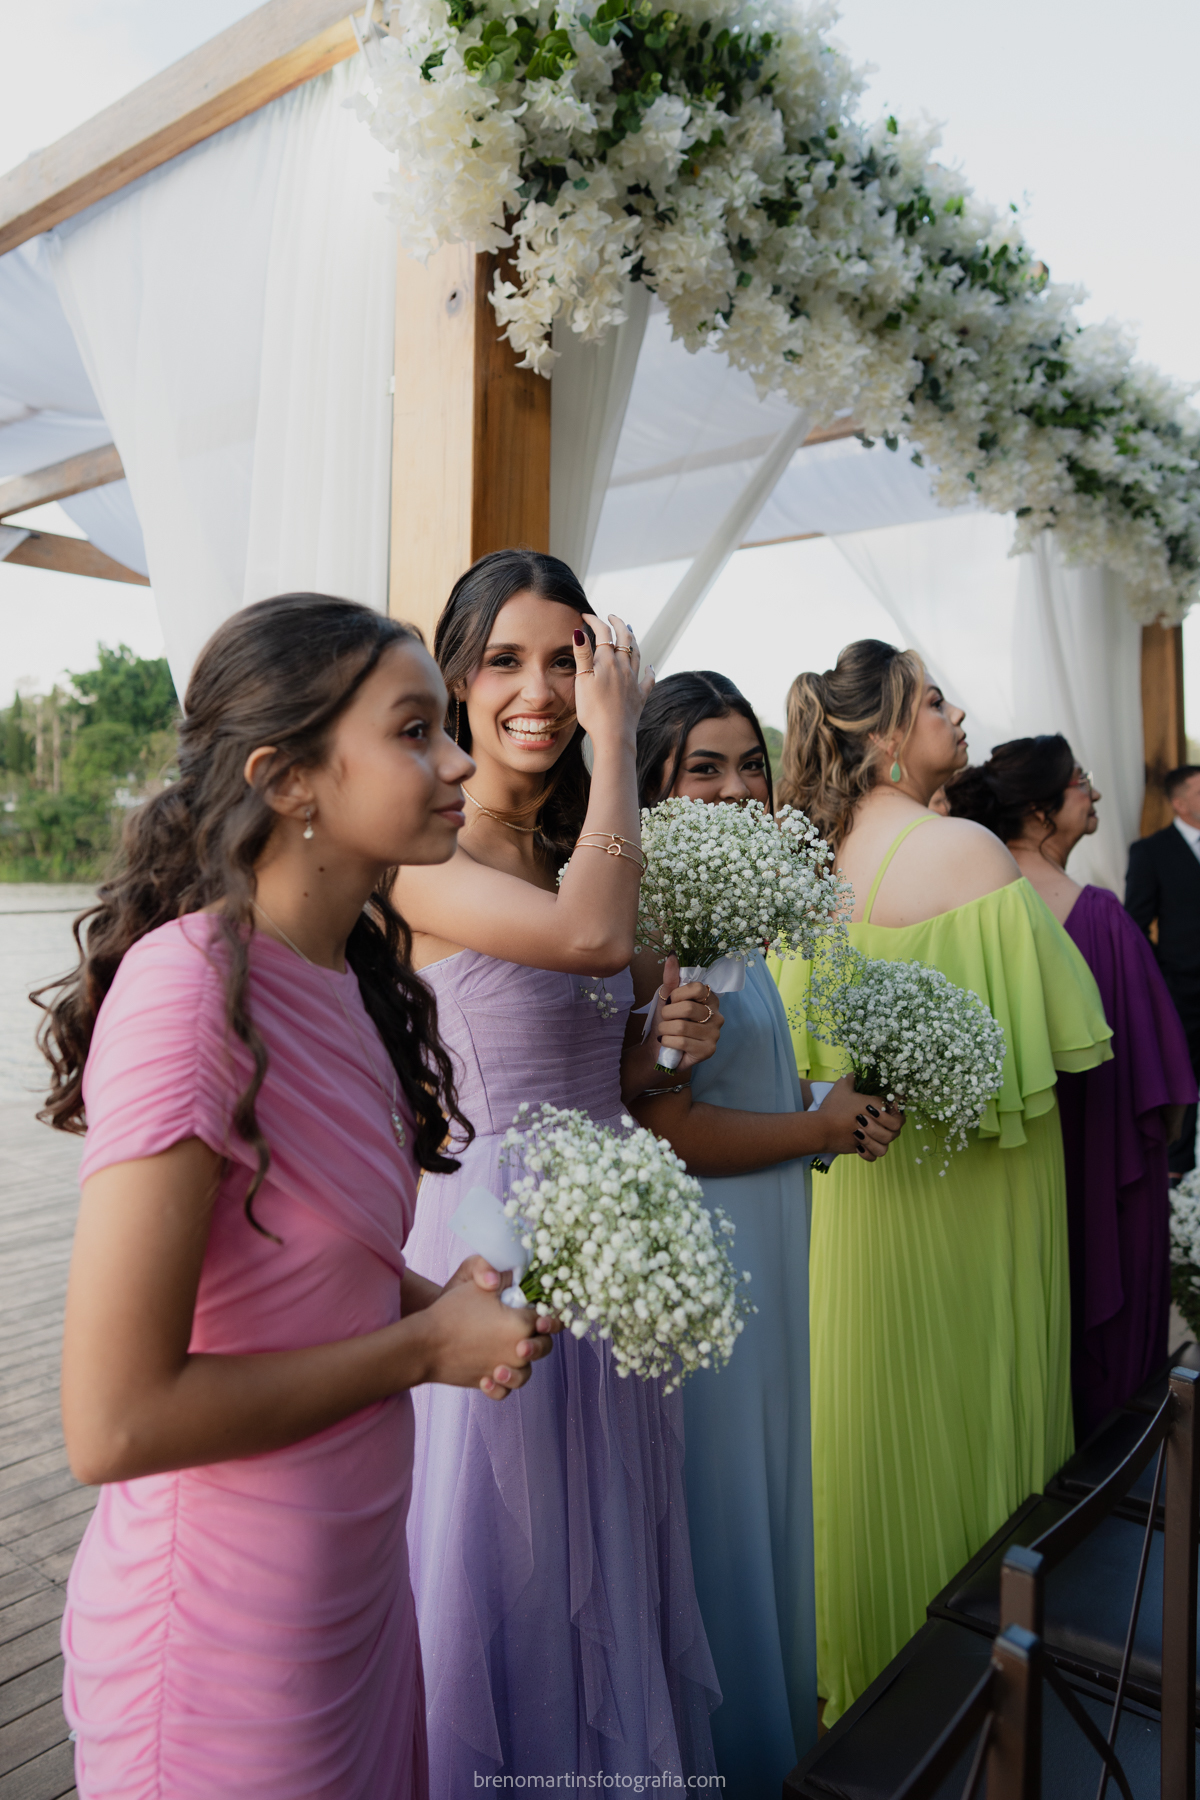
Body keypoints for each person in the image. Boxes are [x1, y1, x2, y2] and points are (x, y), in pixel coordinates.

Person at [41, 595, 562, 1800]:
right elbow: (113, 1424)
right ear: (287, 780)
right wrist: (421, 1350)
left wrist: (440, 1304)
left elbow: (308, 1265)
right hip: (224, 1643)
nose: (459, 763)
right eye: (416, 732)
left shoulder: (344, 976)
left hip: (355, 1597)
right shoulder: (190, 999)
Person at [394, 552, 724, 1795]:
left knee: (608, 1550)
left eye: (565, 661)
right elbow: (592, 937)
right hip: (492, 1239)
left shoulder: (580, 846)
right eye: (504, 661)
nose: (539, 691)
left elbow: (618, 1070)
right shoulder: (426, 853)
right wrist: (621, 733)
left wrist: (664, 1045)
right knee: (507, 1560)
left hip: (611, 1240)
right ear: (456, 681)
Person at [773, 640, 1111, 1725]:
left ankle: (877, 1703)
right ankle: (995, 1698)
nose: (958, 715)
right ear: (883, 735)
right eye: (933, 702)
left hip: (854, 1208)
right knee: (976, 1416)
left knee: (873, 1429)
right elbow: (1062, 1035)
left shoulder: (803, 871)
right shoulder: (968, 853)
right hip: (980, 1204)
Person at [623, 671, 903, 1795]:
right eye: (706, 767)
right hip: (709, 1255)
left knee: (773, 1495)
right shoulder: (648, 923)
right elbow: (669, 1127)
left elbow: (744, 1086)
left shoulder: (727, 913)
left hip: (772, 1238)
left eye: (752, 765)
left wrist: (832, 1108)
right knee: (725, 1509)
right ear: (648, 782)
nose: (740, 788)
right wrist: (813, 1128)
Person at [947, 738, 1194, 1439]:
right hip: (1108, 1164)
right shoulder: (1102, 919)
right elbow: (1162, 1085)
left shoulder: (965, 911)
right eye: (1082, 782)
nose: (1096, 794)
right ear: (1040, 810)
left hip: (1003, 1171)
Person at [1125, 764, 1200, 1179]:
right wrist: (1169, 972)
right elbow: (1136, 922)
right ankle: (1177, 1174)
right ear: (1179, 802)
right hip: (1183, 989)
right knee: (1183, 1080)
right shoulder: (1151, 851)